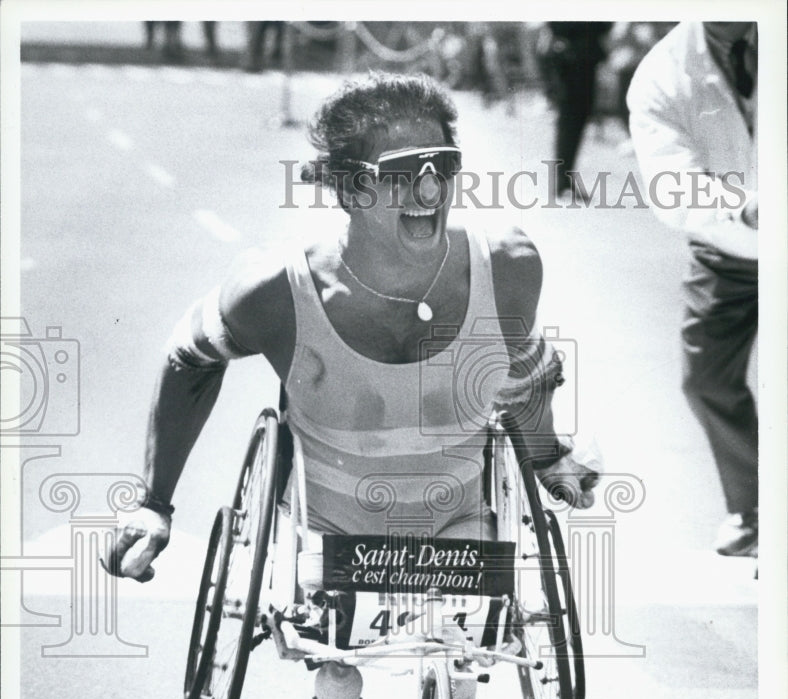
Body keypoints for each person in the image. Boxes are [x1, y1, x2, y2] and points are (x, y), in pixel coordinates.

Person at [105, 73, 598, 583]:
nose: (429, 189)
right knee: (335, 645)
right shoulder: (276, 290)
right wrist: (153, 504)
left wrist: (548, 458)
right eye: (402, 171)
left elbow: (523, 367)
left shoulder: (506, 265)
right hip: (325, 546)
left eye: (443, 166)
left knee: (469, 622)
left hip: (460, 540)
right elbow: (188, 357)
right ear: (349, 187)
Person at [627, 23, 758, 556]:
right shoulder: (661, 72)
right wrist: (743, 209)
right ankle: (755, 505)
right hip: (728, 245)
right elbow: (670, 182)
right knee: (705, 377)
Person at [537, 22, 613, 198]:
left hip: (579, 58)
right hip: (573, 60)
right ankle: (562, 179)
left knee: (573, 120)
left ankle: (564, 178)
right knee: (571, 120)